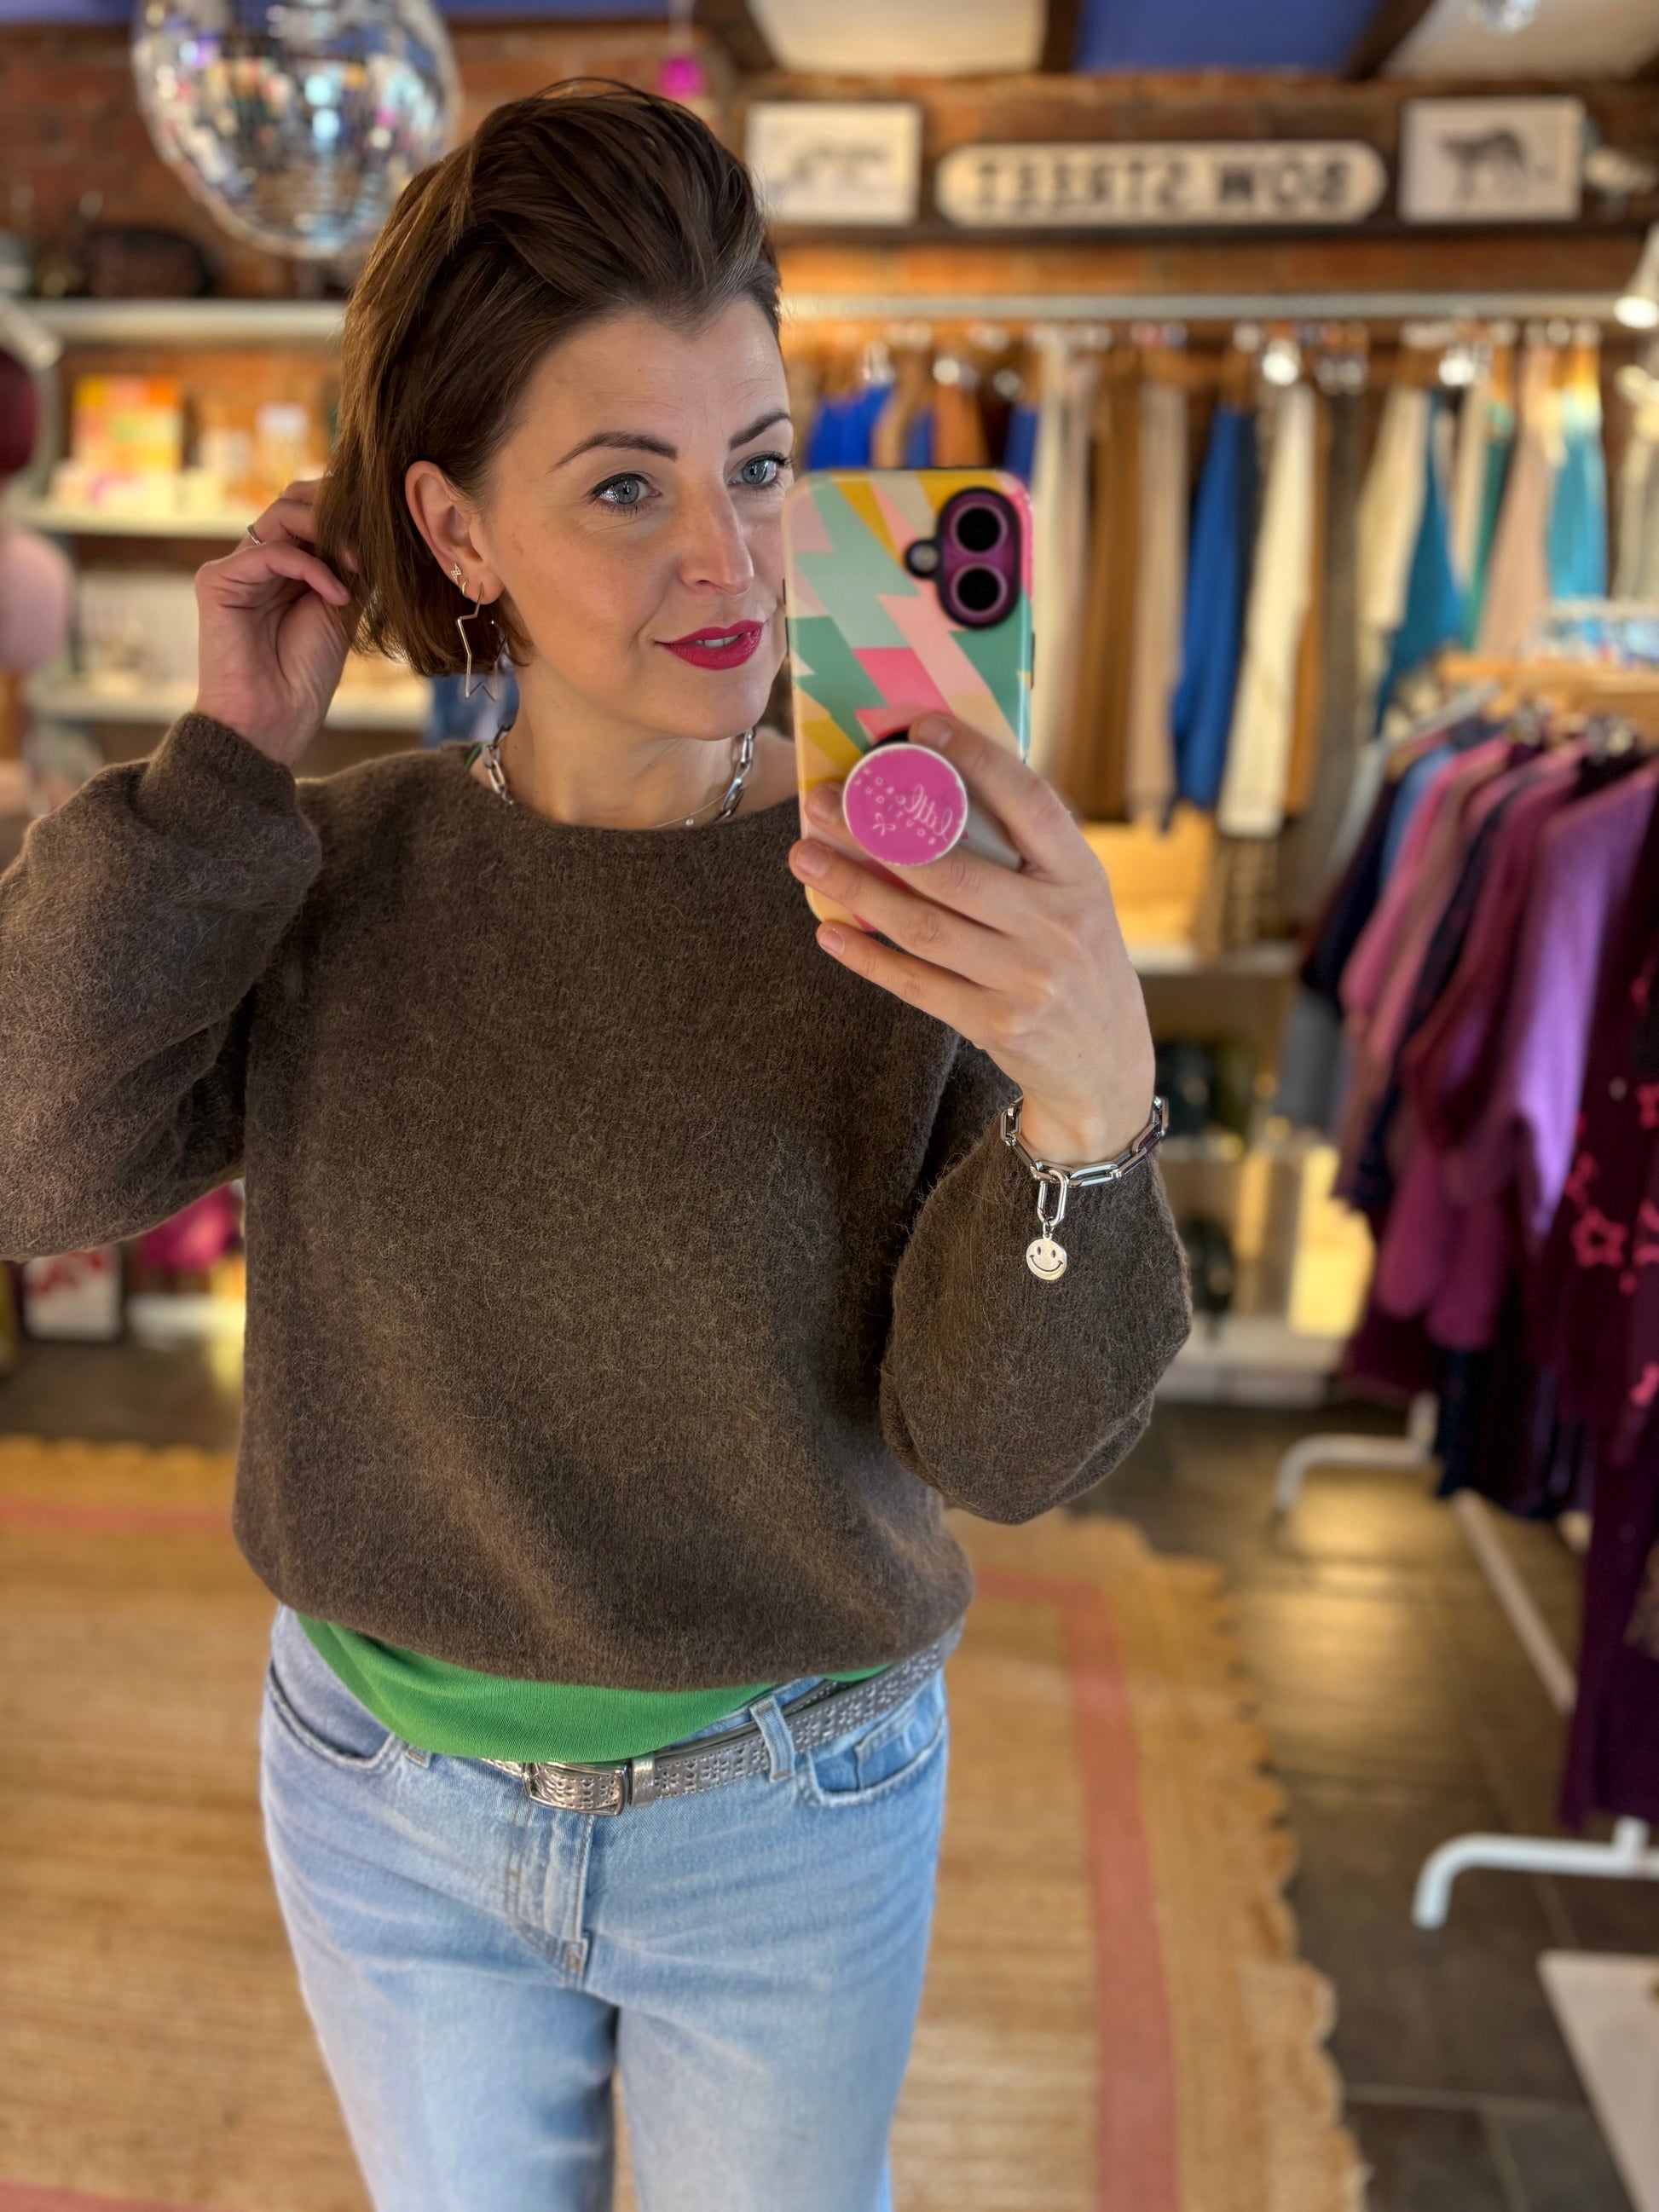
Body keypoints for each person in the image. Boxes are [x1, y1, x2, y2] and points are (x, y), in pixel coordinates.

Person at [0, 83, 1190, 2212]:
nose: (729, 560)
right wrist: (218, 768)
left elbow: (996, 1447)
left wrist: (1088, 1102)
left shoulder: (907, 903)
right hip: (384, 1797)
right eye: (626, 485)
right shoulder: (320, 865)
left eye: (755, 463)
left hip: (791, 1802)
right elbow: (30, 1167)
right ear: (454, 532)